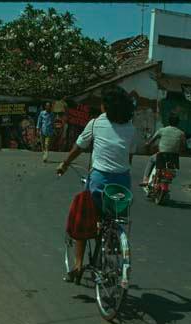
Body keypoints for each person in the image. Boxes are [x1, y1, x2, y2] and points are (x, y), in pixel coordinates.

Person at [57, 86, 136, 282]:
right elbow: (129, 157)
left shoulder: (95, 124)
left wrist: (65, 164)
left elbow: (79, 147)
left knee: (83, 218)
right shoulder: (131, 129)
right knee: (114, 215)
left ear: (106, 107)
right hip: (123, 184)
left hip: (99, 182)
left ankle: (77, 265)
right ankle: (113, 244)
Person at [139, 113, 186, 186]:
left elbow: (152, 140)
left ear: (169, 121)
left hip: (161, 156)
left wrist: (147, 144)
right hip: (174, 158)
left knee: (151, 159)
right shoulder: (181, 133)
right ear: (178, 123)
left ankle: (145, 180)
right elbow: (184, 145)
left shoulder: (162, 130)